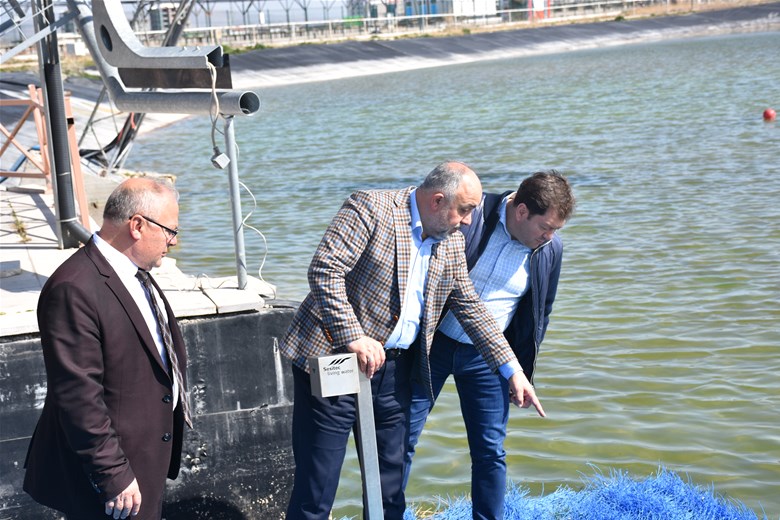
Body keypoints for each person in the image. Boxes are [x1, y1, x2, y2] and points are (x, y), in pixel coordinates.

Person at [281, 161, 545, 520]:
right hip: (335, 361)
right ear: (437, 201)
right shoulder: (370, 208)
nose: (469, 221)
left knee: (390, 491)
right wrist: (354, 336)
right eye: (465, 210)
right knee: (317, 486)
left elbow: (470, 306)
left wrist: (511, 368)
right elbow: (325, 270)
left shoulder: (450, 240)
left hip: (394, 371)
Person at [403, 170, 575, 520]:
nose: (550, 236)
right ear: (522, 211)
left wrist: (520, 372)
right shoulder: (470, 217)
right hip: (433, 346)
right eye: (548, 227)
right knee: (401, 439)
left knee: (490, 451)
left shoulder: (549, 250)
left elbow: (540, 313)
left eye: (556, 230)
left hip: (488, 359)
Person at [23, 177, 192, 520]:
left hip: (145, 459)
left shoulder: (135, 273)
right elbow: (78, 395)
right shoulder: (73, 288)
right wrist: (113, 475)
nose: (173, 242)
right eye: (169, 231)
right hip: (113, 480)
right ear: (138, 226)